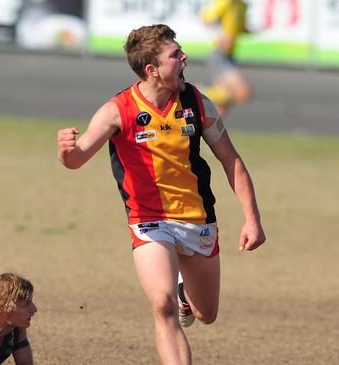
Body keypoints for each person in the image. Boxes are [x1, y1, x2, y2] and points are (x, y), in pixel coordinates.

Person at [56, 24, 265, 365]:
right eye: (175, 55)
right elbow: (77, 158)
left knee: (206, 313)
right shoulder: (117, 110)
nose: (185, 57)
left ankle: (187, 295)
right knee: (162, 305)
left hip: (197, 219)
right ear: (151, 69)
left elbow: (231, 160)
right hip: (148, 220)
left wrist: (252, 219)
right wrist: (66, 152)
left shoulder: (198, 103)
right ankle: (174, 300)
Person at [201, 0, 252, 117]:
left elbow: (241, 28)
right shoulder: (226, 2)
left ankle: (207, 133)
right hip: (220, 54)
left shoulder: (242, 6)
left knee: (221, 108)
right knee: (243, 93)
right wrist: (220, 32)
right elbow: (207, 19)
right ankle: (198, 93)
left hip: (229, 55)